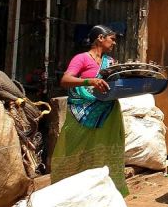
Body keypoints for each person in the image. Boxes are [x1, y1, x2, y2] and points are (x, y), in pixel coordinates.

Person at [51, 25, 128, 196]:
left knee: (105, 149)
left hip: (107, 112)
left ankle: (104, 193)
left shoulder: (111, 62)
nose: (114, 43)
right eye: (112, 39)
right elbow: (65, 80)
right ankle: (67, 193)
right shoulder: (82, 59)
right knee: (75, 149)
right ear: (100, 38)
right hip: (82, 113)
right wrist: (90, 82)